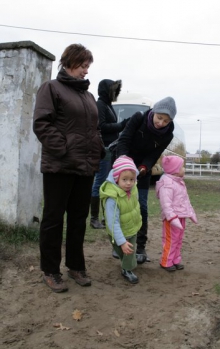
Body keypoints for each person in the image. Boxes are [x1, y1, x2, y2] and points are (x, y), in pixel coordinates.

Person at [33, 43, 105, 293]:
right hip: (59, 166)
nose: (86, 71)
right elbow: (42, 124)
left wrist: (99, 147)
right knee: (53, 219)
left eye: (88, 66)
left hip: (85, 166)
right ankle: (50, 270)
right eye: (83, 66)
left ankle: (76, 266)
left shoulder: (88, 96)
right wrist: (63, 148)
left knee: (78, 219)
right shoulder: (51, 88)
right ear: (69, 62)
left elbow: (93, 128)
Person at [115, 96, 177, 264]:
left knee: (141, 207)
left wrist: (144, 167)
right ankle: (119, 243)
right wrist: (124, 163)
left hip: (142, 172)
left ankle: (140, 246)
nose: (161, 123)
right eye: (159, 118)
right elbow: (124, 139)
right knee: (120, 206)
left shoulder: (168, 134)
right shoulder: (138, 118)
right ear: (154, 112)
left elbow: (153, 155)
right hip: (123, 166)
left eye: (166, 120)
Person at [90, 79, 129, 229]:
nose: (116, 93)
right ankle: (94, 218)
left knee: (108, 184)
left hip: (110, 150)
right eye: (114, 90)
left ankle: (106, 217)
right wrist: (121, 125)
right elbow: (100, 126)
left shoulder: (107, 105)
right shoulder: (100, 105)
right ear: (107, 90)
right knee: (100, 183)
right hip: (104, 150)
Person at [100, 155, 142, 284]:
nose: (129, 183)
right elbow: (113, 223)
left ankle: (127, 266)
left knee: (130, 250)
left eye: (132, 179)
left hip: (132, 226)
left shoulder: (133, 189)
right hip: (119, 231)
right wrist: (122, 241)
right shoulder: (112, 198)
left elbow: (136, 205)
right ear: (116, 178)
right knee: (125, 249)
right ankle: (127, 266)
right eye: (125, 179)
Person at [156, 155, 198, 271]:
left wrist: (190, 213)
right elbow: (166, 204)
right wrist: (171, 217)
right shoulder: (167, 184)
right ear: (175, 170)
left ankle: (175, 259)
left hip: (181, 215)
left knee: (178, 239)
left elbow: (185, 200)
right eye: (182, 167)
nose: (184, 169)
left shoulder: (179, 182)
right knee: (171, 240)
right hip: (172, 218)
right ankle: (166, 261)